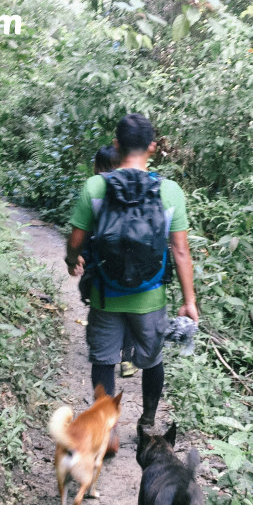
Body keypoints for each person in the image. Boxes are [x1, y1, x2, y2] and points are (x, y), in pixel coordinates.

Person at [66, 114, 199, 433]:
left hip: (105, 293)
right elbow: (180, 251)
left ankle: (106, 431)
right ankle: (148, 422)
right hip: (150, 297)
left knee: (104, 360)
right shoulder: (170, 191)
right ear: (152, 147)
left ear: (116, 144)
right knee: (152, 360)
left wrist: (72, 260)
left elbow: (76, 240)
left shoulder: (95, 185)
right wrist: (189, 301)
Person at [91, 145, 138, 379]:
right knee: (130, 311)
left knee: (107, 312)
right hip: (134, 262)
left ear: (98, 165)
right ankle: (127, 360)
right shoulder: (134, 186)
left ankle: (106, 353)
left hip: (104, 268)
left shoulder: (96, 186)